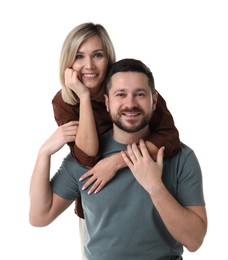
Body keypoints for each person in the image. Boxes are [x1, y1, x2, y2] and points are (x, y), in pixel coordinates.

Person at [29, 58, 207, 260]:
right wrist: (44, 153)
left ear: (154, 101)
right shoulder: (88, 158)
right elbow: (39, 216)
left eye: (140, 95)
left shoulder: (181, 157)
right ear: (107, 102)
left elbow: (195, 240)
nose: (130, 104)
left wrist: (154, 186)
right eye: (120, 95)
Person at [51, 23, 181, 218]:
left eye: (97, 55)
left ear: (108, 59)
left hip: (148, 196)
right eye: (79, 56)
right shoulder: (64, 102)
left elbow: (169, 137)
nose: (89, 66)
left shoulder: (132, 86)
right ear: (68, 62)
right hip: (97, 203)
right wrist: (84, 97)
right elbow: (87, 158)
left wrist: (117, 161)